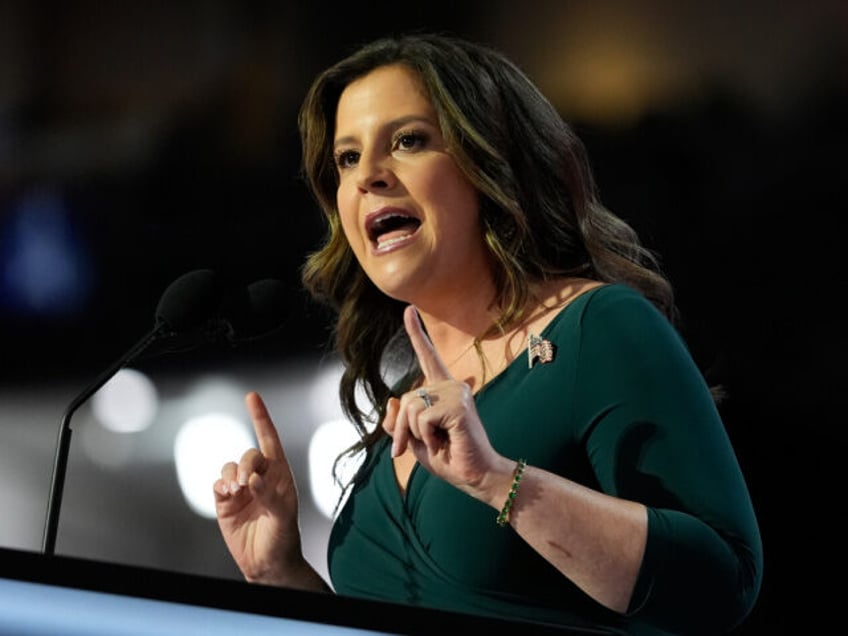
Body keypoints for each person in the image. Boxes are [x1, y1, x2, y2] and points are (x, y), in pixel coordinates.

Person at [213, 33, 763, 635]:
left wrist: (498, 481)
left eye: (407, 141)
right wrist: (281, 574)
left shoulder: (598, 327)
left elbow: (721, 584)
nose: (368, 174)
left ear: (490, 160)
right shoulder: (413, 392)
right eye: (347, 158)